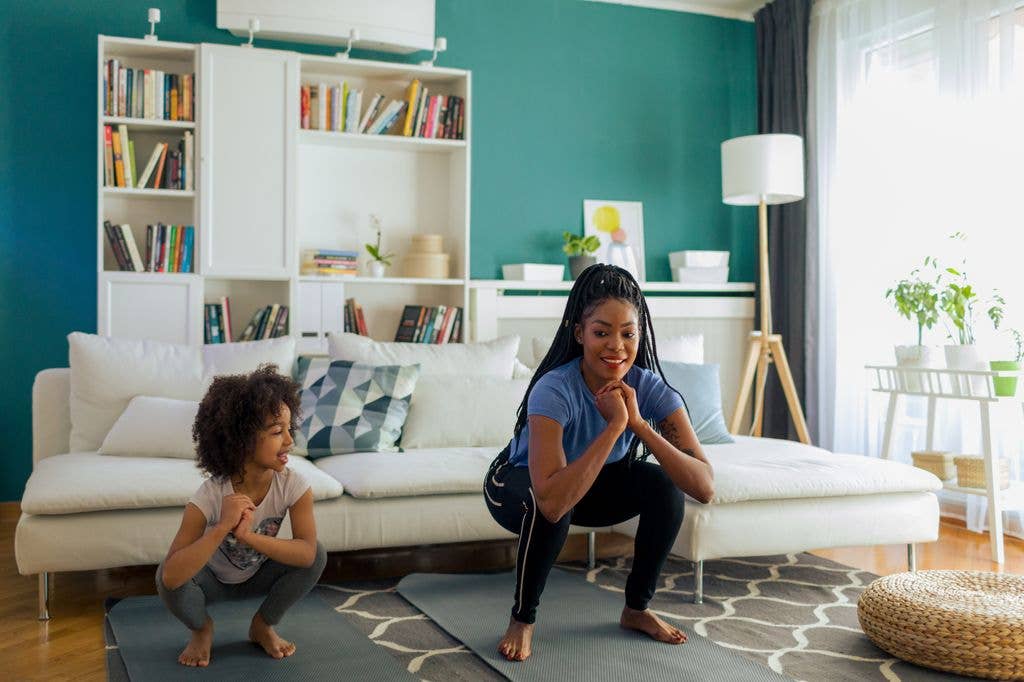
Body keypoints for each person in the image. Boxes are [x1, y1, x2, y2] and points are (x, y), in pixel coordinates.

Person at [483, 264, 715, 662]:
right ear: (580, 333)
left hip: (587, 486)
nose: (616, 346)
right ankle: (522, 619)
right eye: (602, 332)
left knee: (663, 487)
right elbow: (553, 500)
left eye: (628, 333)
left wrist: (638, 423)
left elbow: (704, 487)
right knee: (550, 504)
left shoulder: (650, 387)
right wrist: (615, 426)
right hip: (516, 486)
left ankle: (636, 609)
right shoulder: (554, 389)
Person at [156, 364, 327, 667]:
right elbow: (172, 576)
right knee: (165, 575)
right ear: (241, 440)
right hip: (209, 582)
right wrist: (222, 527)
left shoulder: (295, 487)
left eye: (290, 429)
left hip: (259, 574)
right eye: (277, 432)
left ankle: (263, 625)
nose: (289, 441)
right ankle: (201, 629)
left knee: (319, 554)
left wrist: (248, 536)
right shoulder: (209, 495)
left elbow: (306, 554)